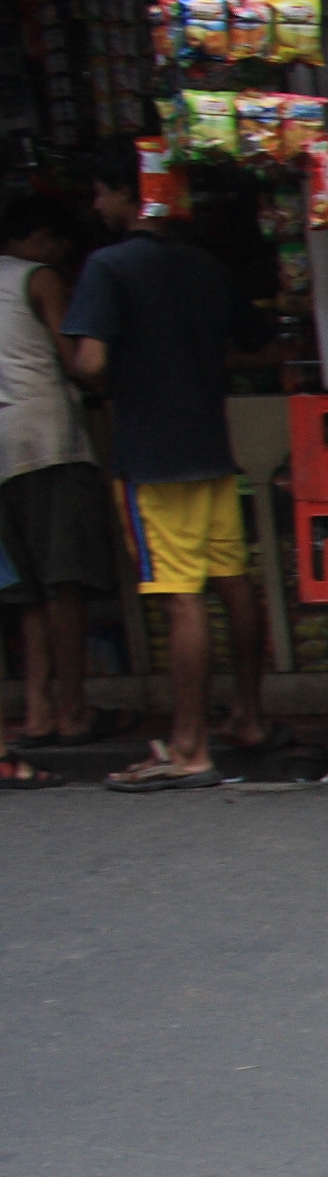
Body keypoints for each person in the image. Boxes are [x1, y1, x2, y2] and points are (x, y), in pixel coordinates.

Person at [65, 159, 270, 791]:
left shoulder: (107, 267)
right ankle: (249, 716)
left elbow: (93, 361)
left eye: (100, 190)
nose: (97, 205)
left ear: (126, 193)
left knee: (181, 596)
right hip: (211, 446)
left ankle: (188, 747)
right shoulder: (206, 266)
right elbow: (255, 342)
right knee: (234, 583)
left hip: (152, 456)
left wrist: (79, 364)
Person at [3, 193, 122, 780]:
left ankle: (37, 713)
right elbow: (76, 359)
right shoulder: (40, 278)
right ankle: (73, 711)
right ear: (42, 237)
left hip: (1, 452)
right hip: (47, 441)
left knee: (27, 593)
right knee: (64, 582)